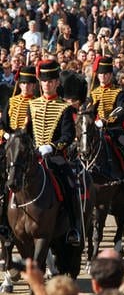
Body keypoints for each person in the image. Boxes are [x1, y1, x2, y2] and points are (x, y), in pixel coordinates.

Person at [25, 60, 81, 246]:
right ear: (40, 83)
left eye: (51, 81)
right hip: (33, 156)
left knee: (70, 184)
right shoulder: (32, 106)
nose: (47, 84)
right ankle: (6, 225)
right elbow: (27, 134)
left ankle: (73, 227)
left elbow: (68, 135)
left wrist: (52, 147)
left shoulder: (65, 108)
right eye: (44, 81)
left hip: (55, 156)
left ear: (57, 83)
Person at [90, 56, 124, 199]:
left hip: (114, 130)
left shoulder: (118, 92)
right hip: (95, 131)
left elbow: (122, 110)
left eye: (106, 74)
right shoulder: (92, 93)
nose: (103, 76)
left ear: (111, 75)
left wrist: (106, 121)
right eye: (101, 74)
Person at [0, 66, 37, 240]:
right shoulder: (12, 102)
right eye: (23, 84)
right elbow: (2, 124)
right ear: (19, 85)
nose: (26, 87)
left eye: (30, 84)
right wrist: (6, 135)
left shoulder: (37, 102)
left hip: (29, 148)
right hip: (10, 146)